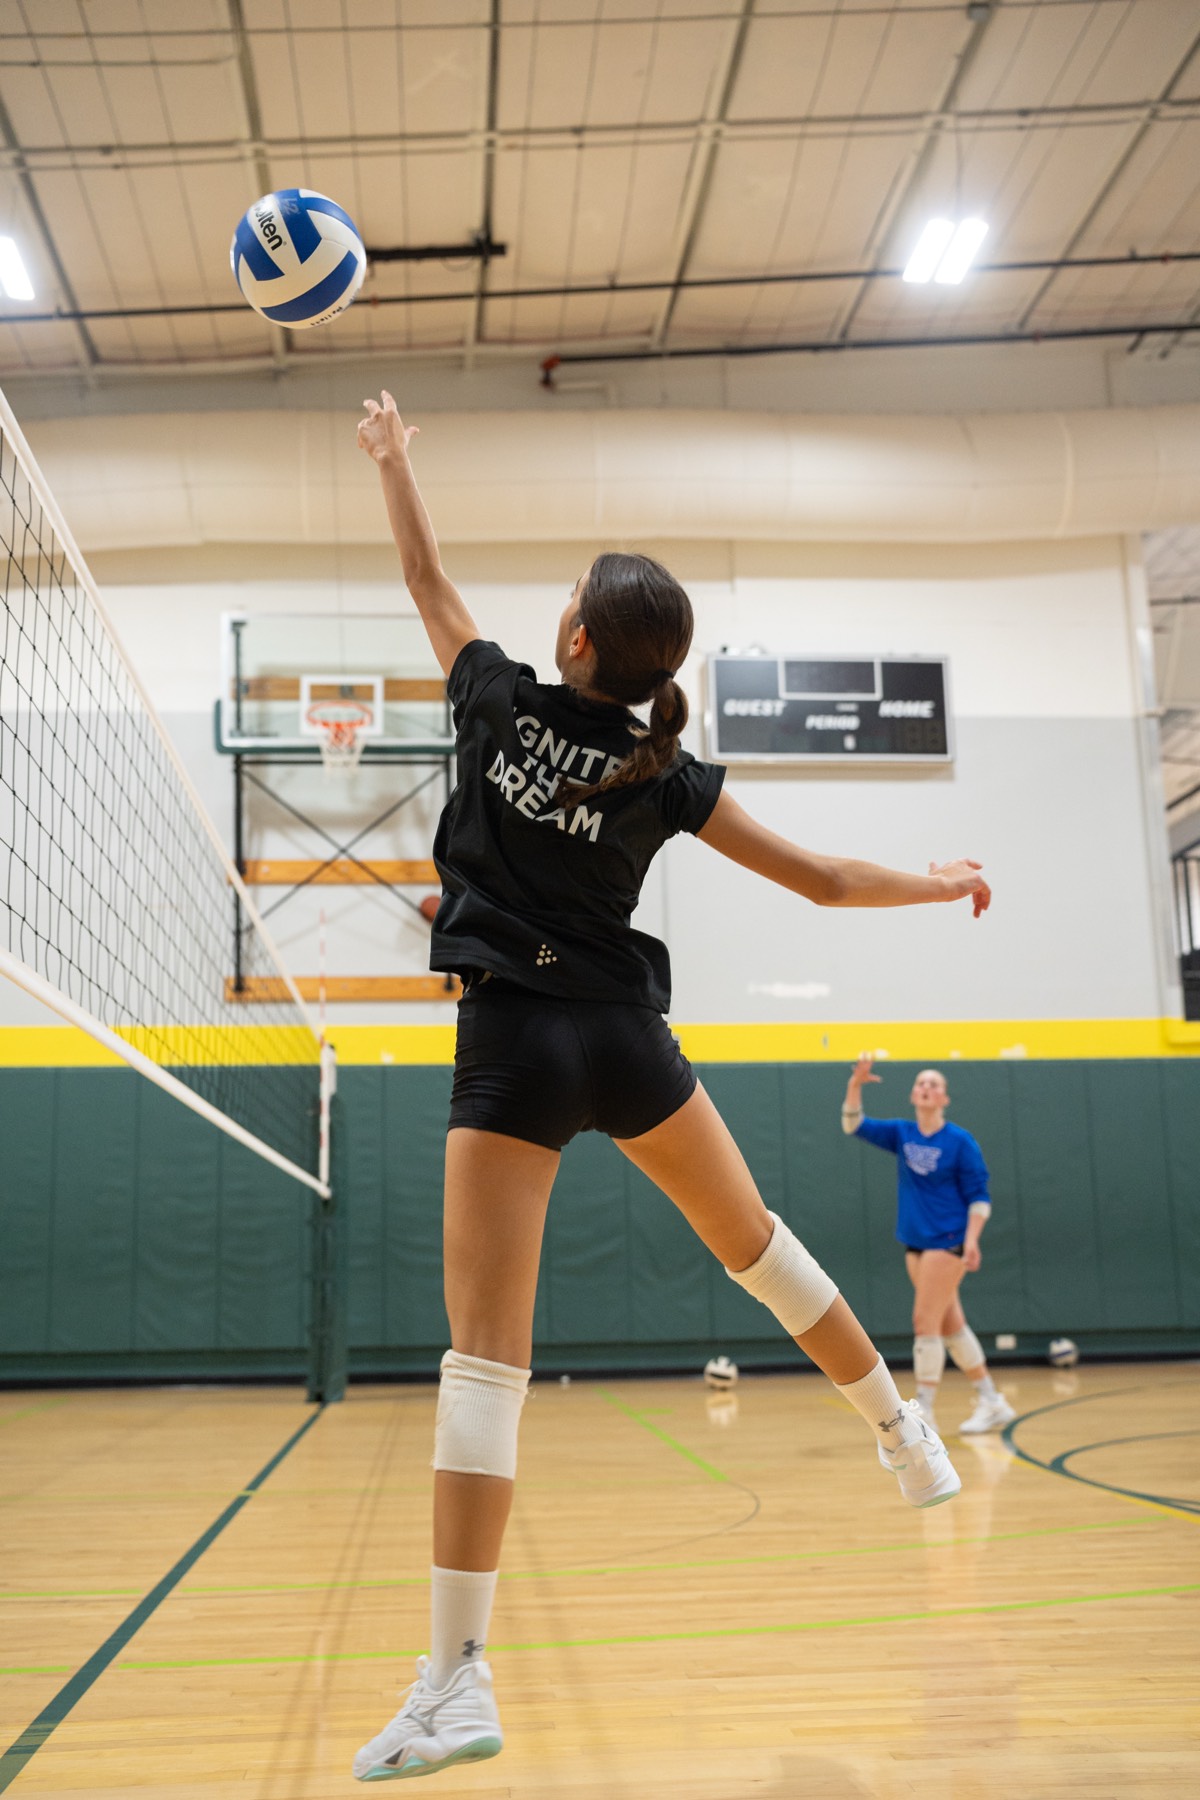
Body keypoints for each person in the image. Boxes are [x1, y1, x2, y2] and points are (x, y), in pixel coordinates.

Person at [351, 391, 993, 1783]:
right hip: (627, 1041)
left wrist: (396, 462)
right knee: (757, 1248)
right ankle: (902, 1431)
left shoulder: (497, 698)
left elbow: (423, 575)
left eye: (571, 595)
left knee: (485, 1364)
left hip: (515, 1044)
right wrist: (937, 882)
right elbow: (823, 881)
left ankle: (457, 1678)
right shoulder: (666, 767)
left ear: (575, 640)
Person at [840, 1058, 1015, 1438]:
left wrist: (971, 1241)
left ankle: (925, 1413)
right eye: (921, 1083)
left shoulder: (960, 1141)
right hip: (915, 1246)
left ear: (944, 1098)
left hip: (947, 1243)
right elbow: (853, 1123)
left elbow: (980, 1198)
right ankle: (992, 1400)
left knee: (924, 1323)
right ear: (913, 1094)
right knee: (951, 1326)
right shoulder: (902, 1134)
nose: (926, 1088)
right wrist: (856, 1083)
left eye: (934, 1084)